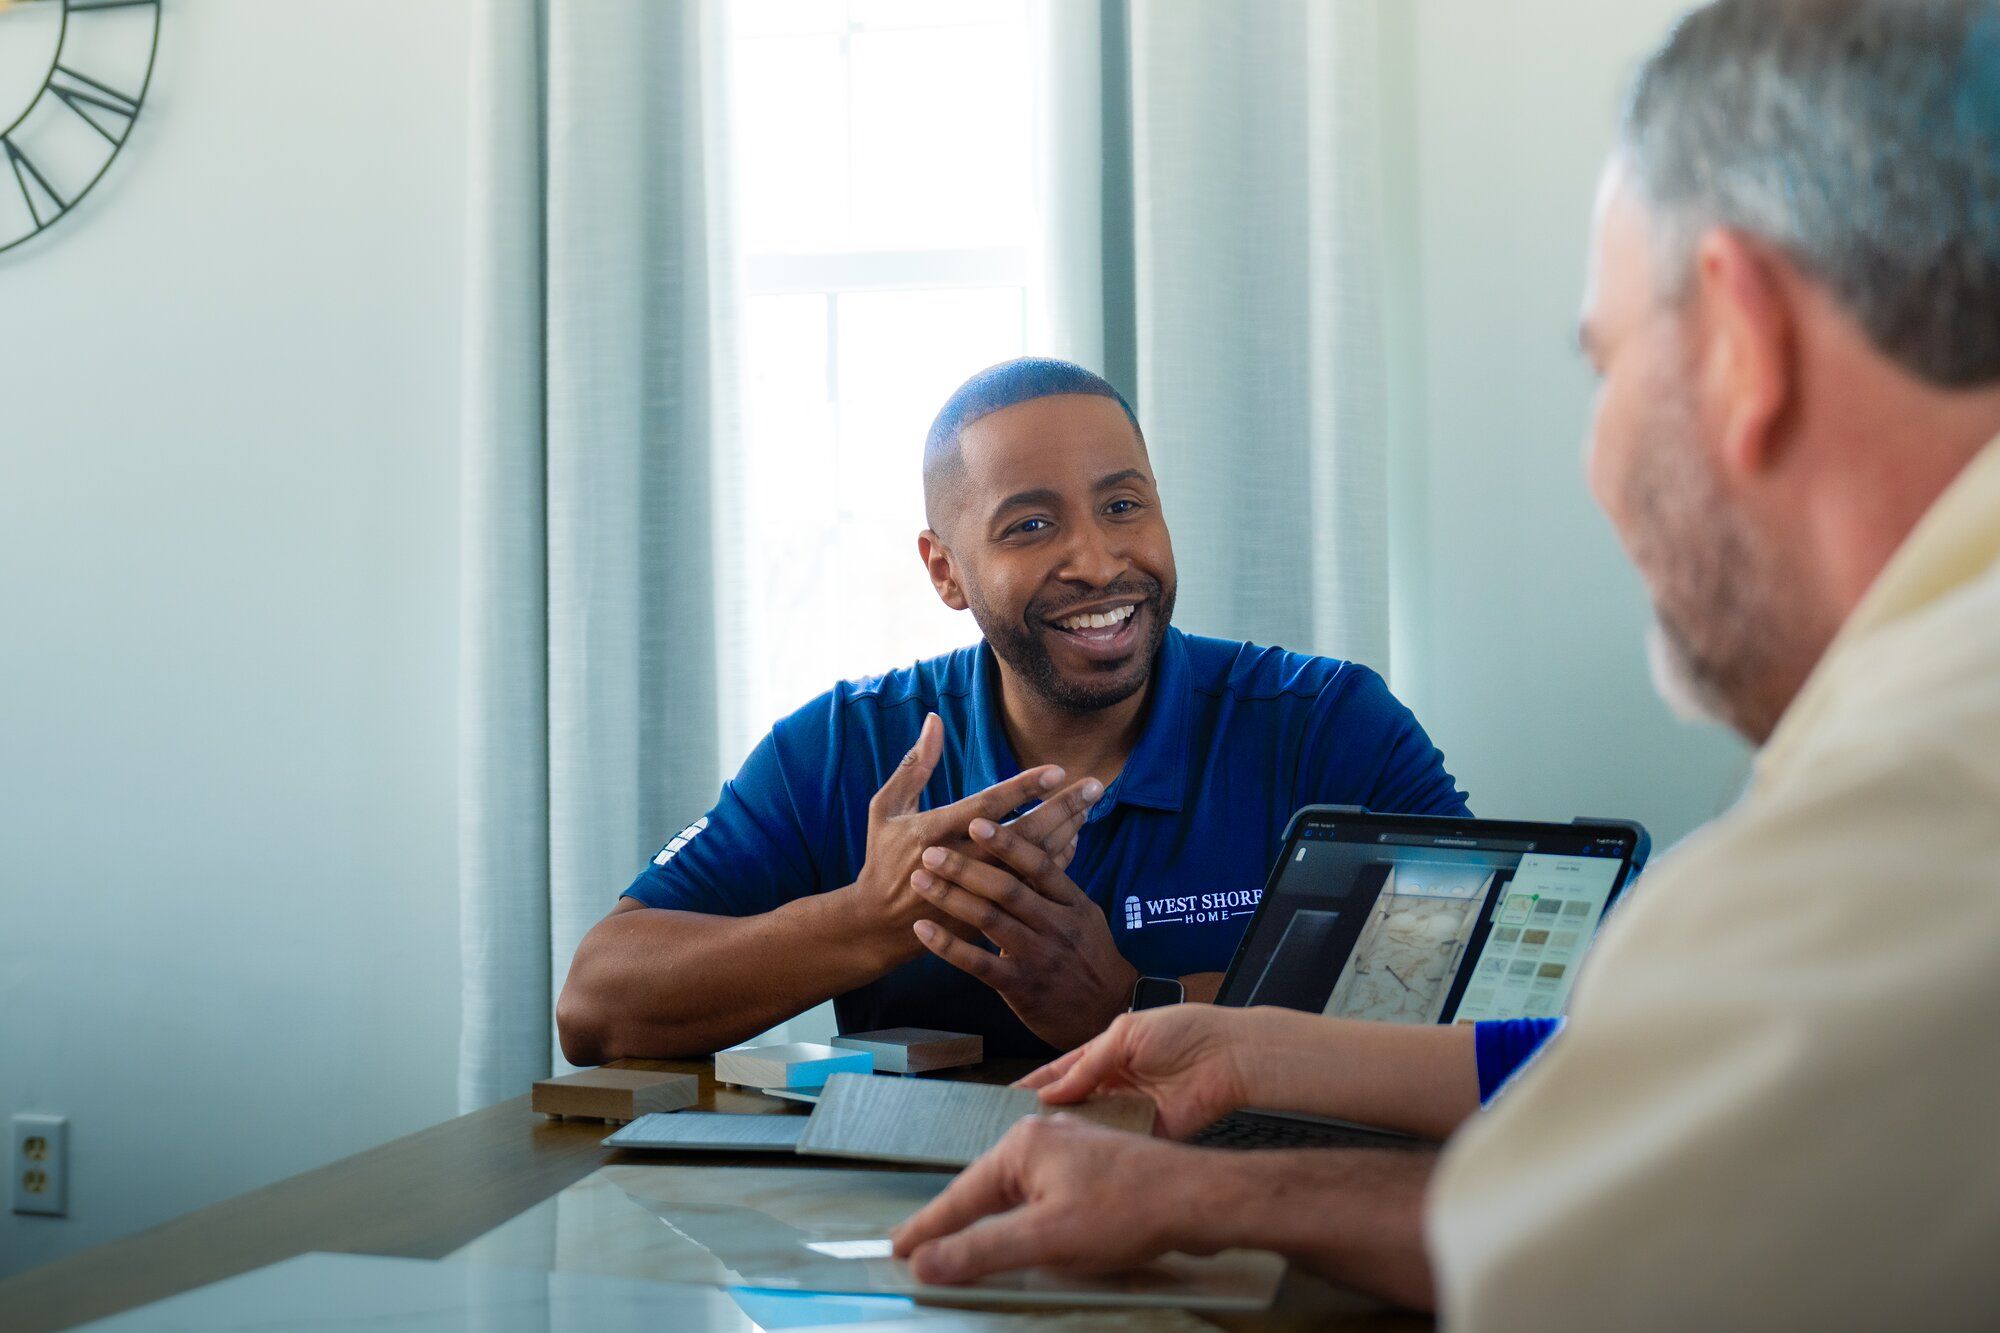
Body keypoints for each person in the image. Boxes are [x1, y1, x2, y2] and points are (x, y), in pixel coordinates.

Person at [891, 1, 2000, 1324]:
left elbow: (1604, 1244)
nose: (1594, 468)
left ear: (1743, 341)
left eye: (1608, 369)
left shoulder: (1920, 818)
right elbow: (1596, 1060)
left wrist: (1202, 1197)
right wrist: (1242, 1048)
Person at [557, 358, 1469, 1065]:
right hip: (934, 1256)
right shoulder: (845, 748)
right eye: (1030, 525)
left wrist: (1130, 1003)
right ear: (945, 570)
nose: (1100, 560)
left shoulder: (1329, 723)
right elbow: (595, 1006)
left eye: (1124, 505)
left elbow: (1473, 987)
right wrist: (875, 916)